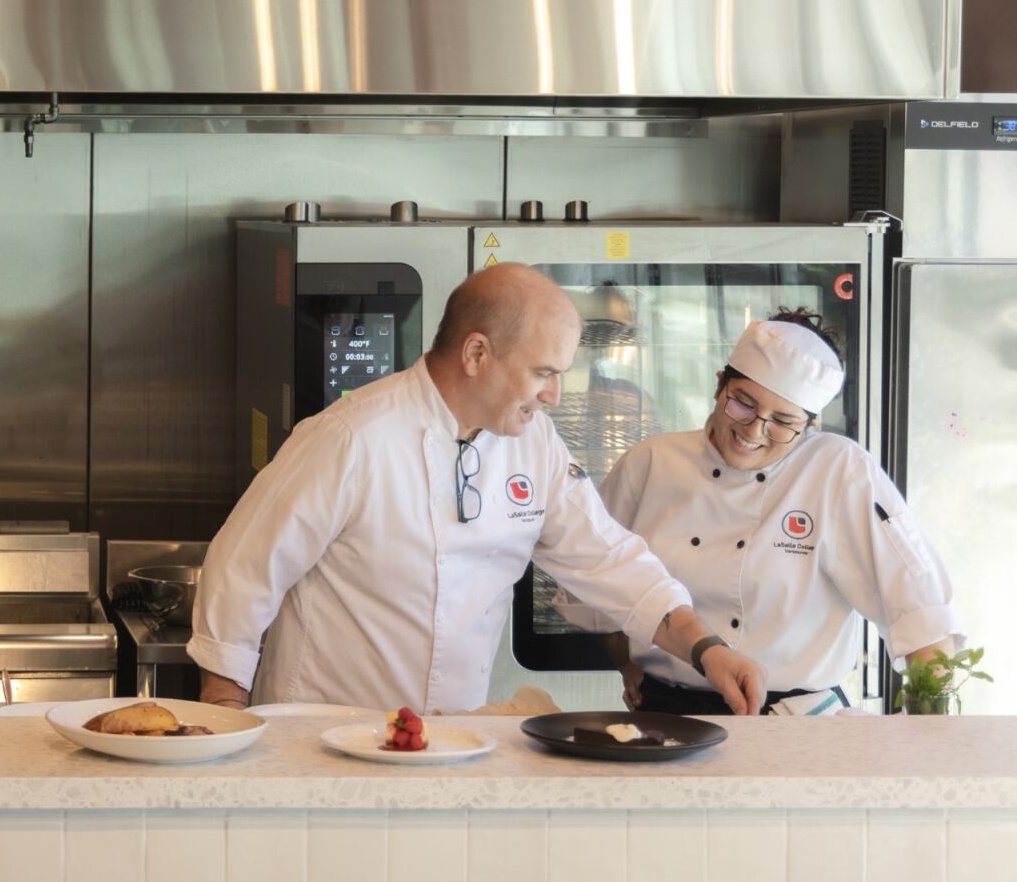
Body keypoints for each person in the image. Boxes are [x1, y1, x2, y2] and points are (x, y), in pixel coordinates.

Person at [190, 263, 767, 714]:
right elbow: (244, 568)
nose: (555, 397)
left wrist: (706, 648)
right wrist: (224, 708)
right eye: (544, 373)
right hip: (322, 737)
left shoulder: (533, 445)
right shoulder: (352, 437)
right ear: (476, 353)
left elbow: (609, 559)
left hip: (450, 744)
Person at [583, 310, 961, 716]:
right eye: (743, 405)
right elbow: (597, 578)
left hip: (796, 722)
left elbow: (922, 609)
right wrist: (626, 663)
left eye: (782, 422)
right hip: (670, 713)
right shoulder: (652, 462)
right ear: (719, 386)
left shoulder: (837, 469)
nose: (754, 431)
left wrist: (930, 730)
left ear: (809, 426)